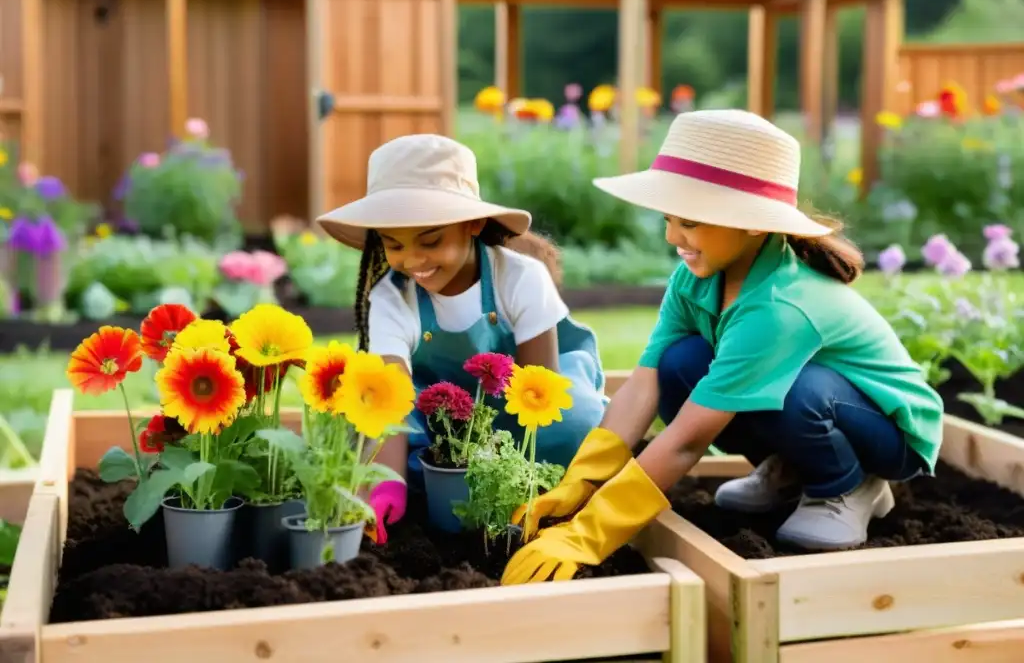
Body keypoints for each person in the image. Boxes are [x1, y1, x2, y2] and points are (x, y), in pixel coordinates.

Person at [501, 109, 944, 585]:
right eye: (669, 219)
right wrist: (580, 481)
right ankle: (789, 471)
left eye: (689, 221)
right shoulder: (696, 278)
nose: (673, 237)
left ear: (753, 223)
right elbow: (646, 380)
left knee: (796, 390)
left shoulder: (778, 308)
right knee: (680, 366)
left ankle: (848, 486)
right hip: (821, 409)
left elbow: (690, 438)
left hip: (888, 432)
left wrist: (592, 532)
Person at [316, 133, 608, 543]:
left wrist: (499, 460)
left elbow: (540, 389)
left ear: (473, 224)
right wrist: (387, 482)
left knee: (575, 424)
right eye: (393, 244)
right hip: (440, 418)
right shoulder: (390, 297)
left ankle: (523, 490)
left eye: (430, 240)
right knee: (354, 429)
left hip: (521, 408)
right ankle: (429, 486)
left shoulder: (520, 278)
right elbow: (392, 400)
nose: (413, 260)